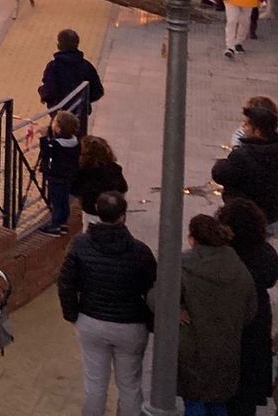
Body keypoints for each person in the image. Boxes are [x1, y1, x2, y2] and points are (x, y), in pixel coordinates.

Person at [57, 190, 156, 416]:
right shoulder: (140, 251)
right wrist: (150, 324)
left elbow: (66, 283)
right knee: (130, 386)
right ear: (123, 216)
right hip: (131, 325)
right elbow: (153, 291)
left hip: (92, 321)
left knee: (95, 386)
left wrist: (72, 315)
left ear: (98, 214)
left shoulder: (81, 245)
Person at [179, 213, 257, 416]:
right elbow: (250, 310)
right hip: (226, 347)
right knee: (218, 402)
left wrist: (177, 311)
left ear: (192, 238)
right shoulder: (239, 268)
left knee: (194, 400)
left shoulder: (184, 266)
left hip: (193, 346)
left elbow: (158, 297)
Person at [217, 198, 278, 416]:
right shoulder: (266, 256)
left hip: (225, 329)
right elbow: (272, 276)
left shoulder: (223, 257)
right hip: (256, 330)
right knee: (245, 400)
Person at [211, 102, 278, 235]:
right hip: (272, 216)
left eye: (246, 124)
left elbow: (220, 174)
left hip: (242, 218)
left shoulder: (243, 155)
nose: (243, 127)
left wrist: (221, 162)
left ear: (257, 132)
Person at [38, 28, 105, 132]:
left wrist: (42, 92)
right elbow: (98, 91)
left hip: (59, 115)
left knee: (58, 139)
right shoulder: (86, 66)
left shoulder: (54, 67)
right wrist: (84, 100)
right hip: (80, 115)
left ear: (59, 45)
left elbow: (49, 91)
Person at [39, 110, 82, 235]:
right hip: (69, 176)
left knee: (56, 200)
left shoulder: (56, 144)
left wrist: (43, 138)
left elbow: (46, 152)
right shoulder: (75, 142)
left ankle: (55, 225)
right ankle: (62, 222)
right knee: (64, 200)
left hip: (56, 176)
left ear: (58, 129)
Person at [74, 136, 128, 216]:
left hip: (91, 209)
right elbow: (123, 188)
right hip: (113, 210)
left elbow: (76, 190)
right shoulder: (114, 168)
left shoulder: (83, 172)